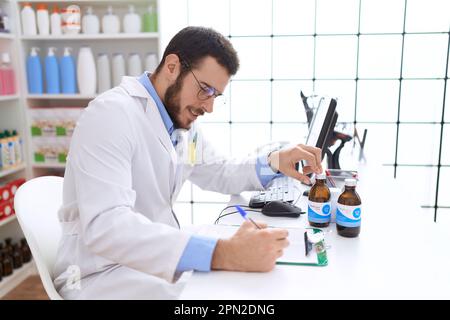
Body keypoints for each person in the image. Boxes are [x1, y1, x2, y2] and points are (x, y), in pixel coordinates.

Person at [53, 26, 323, 299]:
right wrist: (225, 253)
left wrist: (275, 163)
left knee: (233, 283)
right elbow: (107, 226)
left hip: (144, 262)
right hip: (98, 274)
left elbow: (218, 171)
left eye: (215, 95)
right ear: (172, 66)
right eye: (205, 89)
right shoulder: (111, 114)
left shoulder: (180, 124)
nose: (209, 107)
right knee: (218, 293)